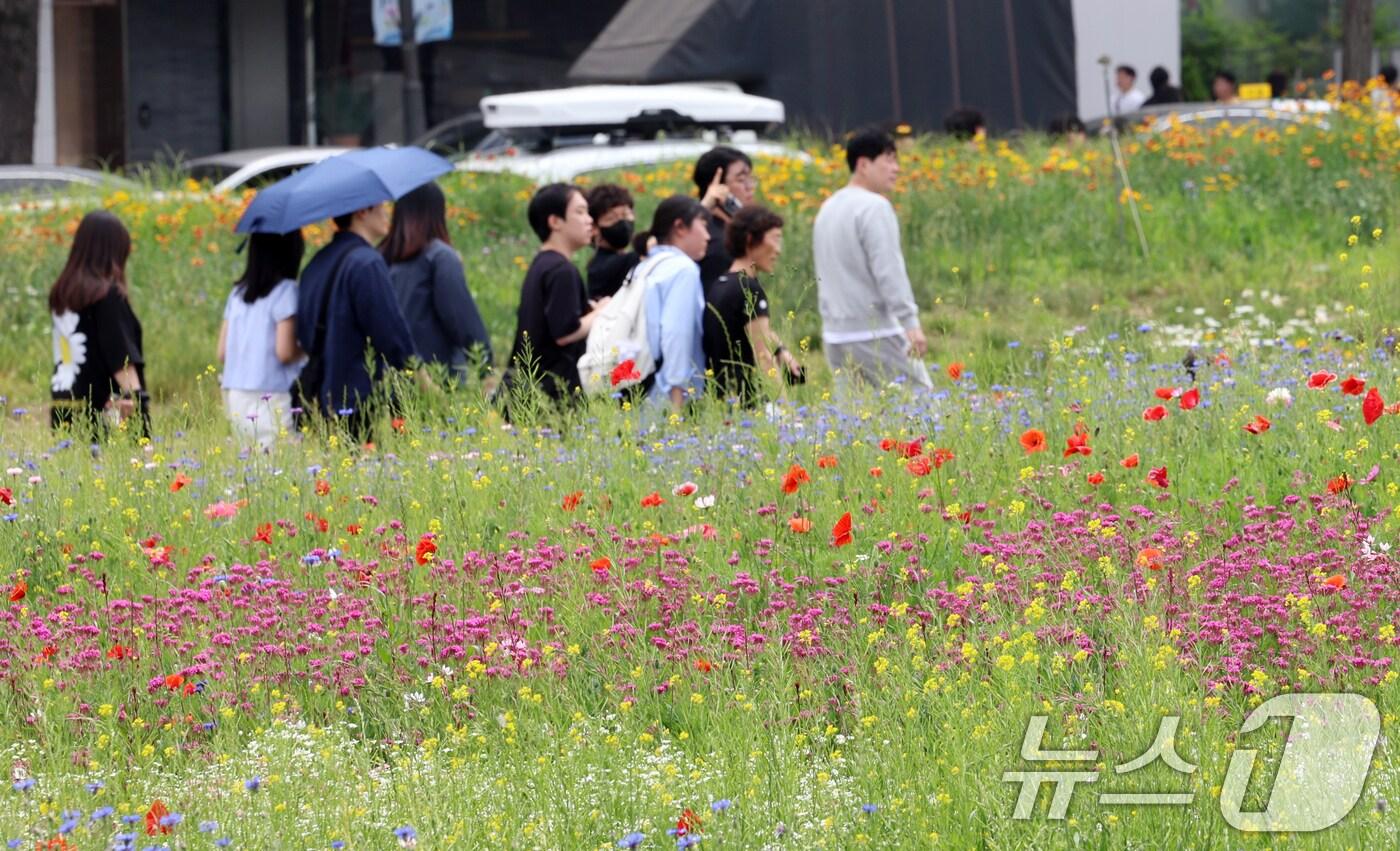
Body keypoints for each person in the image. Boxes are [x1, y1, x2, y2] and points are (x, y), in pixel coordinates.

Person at [813, 128, 932, 395]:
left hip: (835, 335)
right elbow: (889, 271)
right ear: (863, 164)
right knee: (925, 409)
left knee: (852, 422)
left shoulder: (828, 207)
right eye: (888, 160)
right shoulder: (874, 206)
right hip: (874, 330)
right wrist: (910, 323)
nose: (896, 168)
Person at [296, 201, 417, 442]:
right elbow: (391, 335)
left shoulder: (317, 263)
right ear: (362, 211)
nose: (387, 214)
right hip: (361, 399)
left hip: (318, 393)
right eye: (381, 208)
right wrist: (417, 373)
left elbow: (304, 331)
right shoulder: (367, 263)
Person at [499, 183, 610, 408]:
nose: (589, 219)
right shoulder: (561, 270)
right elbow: (565, 332)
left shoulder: (543, 263)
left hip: (527, 389)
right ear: (555, 221)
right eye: (579, 212)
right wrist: (601, 312)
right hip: (549, 395)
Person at [48, 210, 149, 440]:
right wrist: (139, 414)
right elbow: (121, 357)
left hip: (64, 403)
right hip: (104, 410)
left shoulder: (63, 293)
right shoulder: (107, 296)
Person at [382, 182, 492, 384]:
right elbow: (461, 317)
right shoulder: (438, 256)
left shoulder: (381, 257)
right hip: (437, 378)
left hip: (389, 378)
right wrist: (485, 365)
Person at [703, 205, 803, 407]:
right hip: (749, 403)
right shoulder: (749, 289)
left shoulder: (721, 284)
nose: (778, 249)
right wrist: (786, 410)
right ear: (750, 239)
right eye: (775, 238)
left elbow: (756, 333)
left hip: (721, 399)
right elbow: (763, 356)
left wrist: (781, 350)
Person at [217, 231, 305, 450]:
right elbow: (284, 352)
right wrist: (307, 351)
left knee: (249, 461)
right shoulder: (286, 292)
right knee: (277, 463)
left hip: (235, 393)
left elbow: (221, 352)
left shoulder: (237, 294)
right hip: (271, 394)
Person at [635, 195, 710, 411]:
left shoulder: (646, 265)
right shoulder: (683, 269)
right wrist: (677, 395)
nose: (707, 236)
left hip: (639, 383)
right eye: (703, 226)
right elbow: (676, 333)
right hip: (666, 394)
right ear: (680, 227)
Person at [692, 146, 756, 286]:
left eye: (751, 179)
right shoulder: (716, 243)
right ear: (717, 188)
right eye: (741, 180)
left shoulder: (731, 233)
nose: (750, 186)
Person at [584, 183, 640, 300]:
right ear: (594, 227)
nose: (623, 223)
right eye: (611, 218)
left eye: (626, 214)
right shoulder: (600, 269)